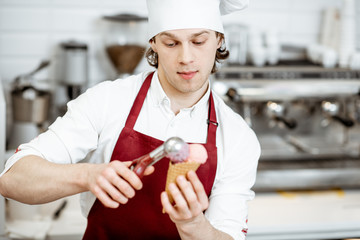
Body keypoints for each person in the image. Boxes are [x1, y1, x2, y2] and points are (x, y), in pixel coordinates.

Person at [0, 0, 260, 239]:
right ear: (154, 43)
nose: (186, 58)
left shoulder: (237, 137)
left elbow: (229, 233)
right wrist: (87, 176)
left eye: (199, 42)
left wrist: (194, 225)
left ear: (219, 40)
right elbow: (11, 179)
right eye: (171, 43)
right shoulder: (107, 100)